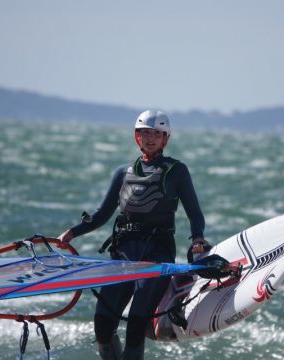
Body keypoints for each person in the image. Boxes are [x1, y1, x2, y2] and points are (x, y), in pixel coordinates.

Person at [57, 110, 209, 360]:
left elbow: (195, 213)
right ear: (137, 137)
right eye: (144, 133)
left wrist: (198, 239)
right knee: (103, 326)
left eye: (156, 134)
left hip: (157, 255)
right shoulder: (123, 172)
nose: (150, 138)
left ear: (165, 139)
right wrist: (73, 232)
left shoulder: (176, 171)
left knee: (136, 325)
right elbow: (102, 214)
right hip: (124, 256)